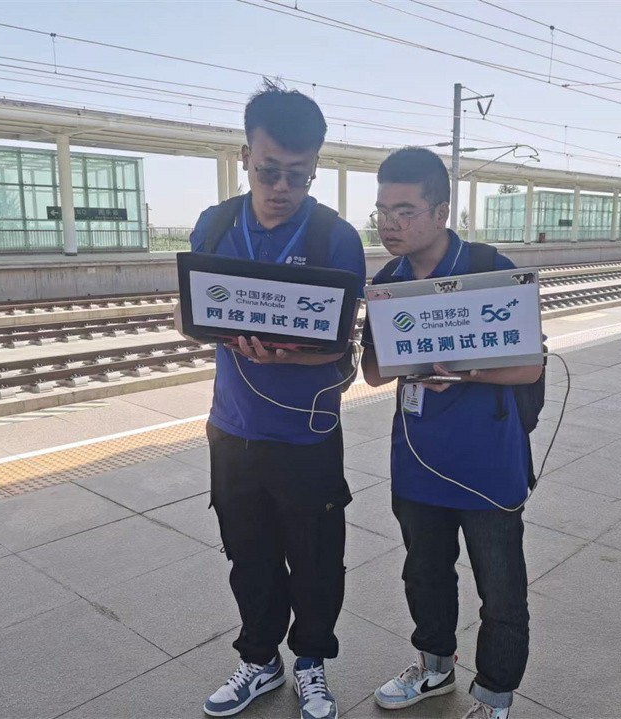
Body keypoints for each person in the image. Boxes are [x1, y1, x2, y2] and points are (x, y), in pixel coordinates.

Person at [174, 82, 366, 719]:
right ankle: (260, 660)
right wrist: (221, 332)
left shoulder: (336, 238)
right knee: (248, 555)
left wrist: (285, 355)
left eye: (298, 175)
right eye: (268, 170)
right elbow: (189, 317)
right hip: (232, 430)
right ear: (245, 158)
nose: (282, 187)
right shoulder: (216, 225)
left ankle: (310, 663)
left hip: (307, 433)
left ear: (315, 167)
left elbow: (340, 349)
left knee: (316, 559)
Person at [360, 148, 542, 719]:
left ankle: (494, 697)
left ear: (441, 212)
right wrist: (409, 361)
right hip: (417, 459)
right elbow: (373, 372)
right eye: (382, 210)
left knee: (501, 587)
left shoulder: (489, 269)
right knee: (424, 573)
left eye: (405, 211)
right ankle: (435, 667)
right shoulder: (386, 282)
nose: (390, 224)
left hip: (488, 463)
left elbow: (529, 367)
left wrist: (464, 371)